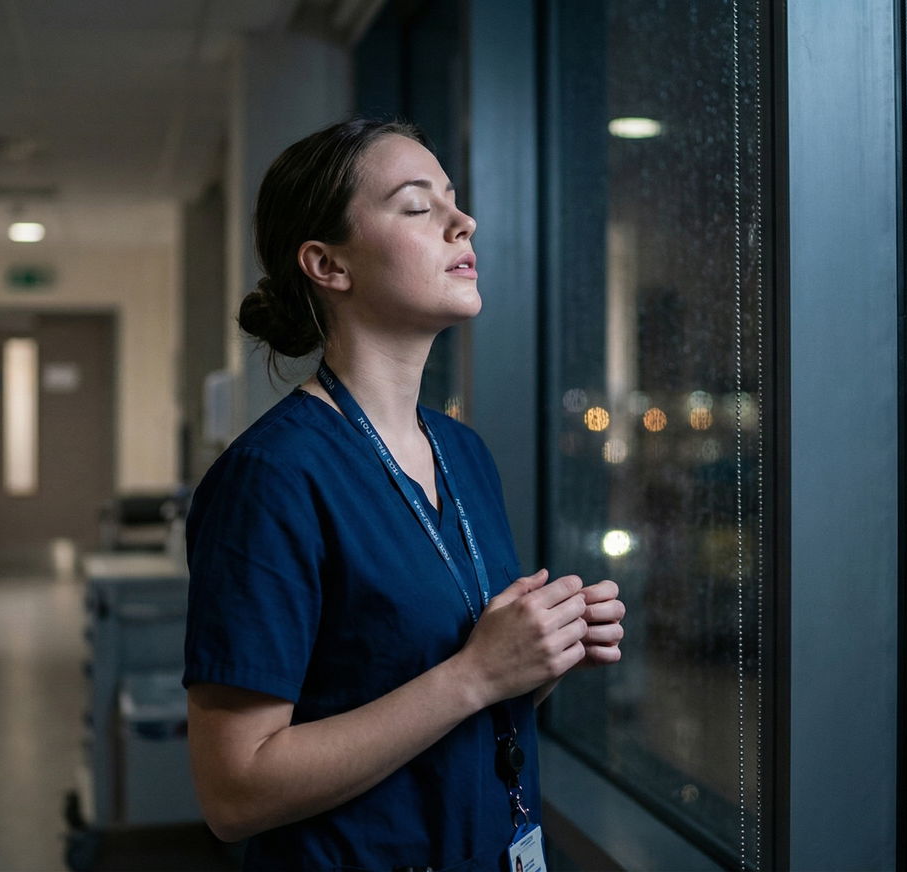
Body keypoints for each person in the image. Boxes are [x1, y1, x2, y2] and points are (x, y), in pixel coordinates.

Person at [182, 118, 626, 870]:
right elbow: (235, 792)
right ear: (328, 264)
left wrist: (539, 655)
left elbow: (450, 693)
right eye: (419, 207)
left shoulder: (463, 453)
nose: (464, 222)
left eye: (453, 200)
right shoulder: (272, 477)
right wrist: (476, 675)